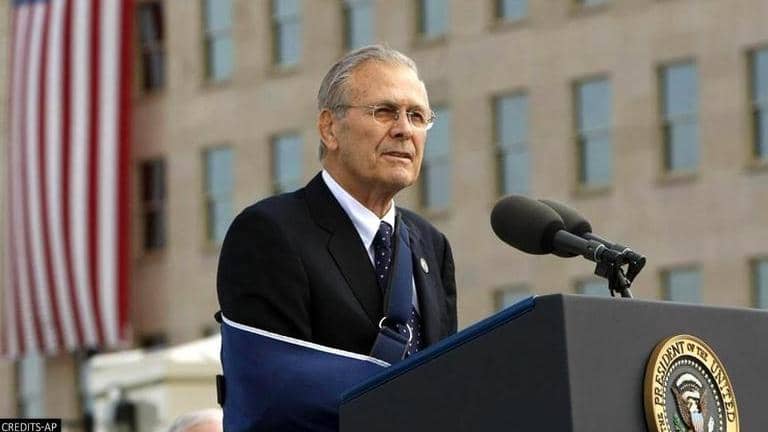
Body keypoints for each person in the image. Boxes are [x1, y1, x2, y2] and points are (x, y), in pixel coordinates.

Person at [216, 45, 457, 358]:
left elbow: (448, 373)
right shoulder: (270, 233)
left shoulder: (431, 245)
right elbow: (274, 378)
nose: (404, 130)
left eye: (417, 116)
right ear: (329, 129)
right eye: (384, 112)